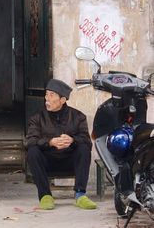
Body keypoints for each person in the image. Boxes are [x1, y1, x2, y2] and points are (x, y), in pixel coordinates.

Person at [25, 78, 97, 210]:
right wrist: (50, 142)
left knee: (84, 148)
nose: (47, 98)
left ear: (63, 100)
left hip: (69, 161)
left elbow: (86, 140)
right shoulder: (37, 118)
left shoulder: (78, 116)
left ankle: (80, 194)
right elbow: (30, 141)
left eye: (51, 95)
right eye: (46, 94)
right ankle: (45, 195)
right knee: (32, 151)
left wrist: (72, 140)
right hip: (48, 162)